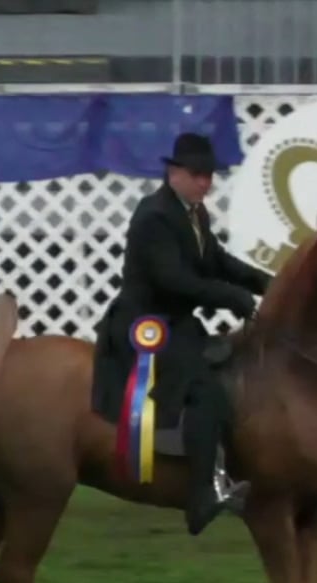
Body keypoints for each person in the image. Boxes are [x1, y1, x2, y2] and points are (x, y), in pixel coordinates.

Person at [96, 132, 273, 536]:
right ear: (173, 172)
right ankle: (200, 498)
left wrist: (267, 284)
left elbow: (216, 261)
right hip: (144, 325)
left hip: (176, 324)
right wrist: (236, 299)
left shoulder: (195, 214)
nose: (205, 182)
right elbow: (174, 281)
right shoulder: (155, 215)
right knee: (205, 393)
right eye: (197, 174)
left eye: (209, 174)